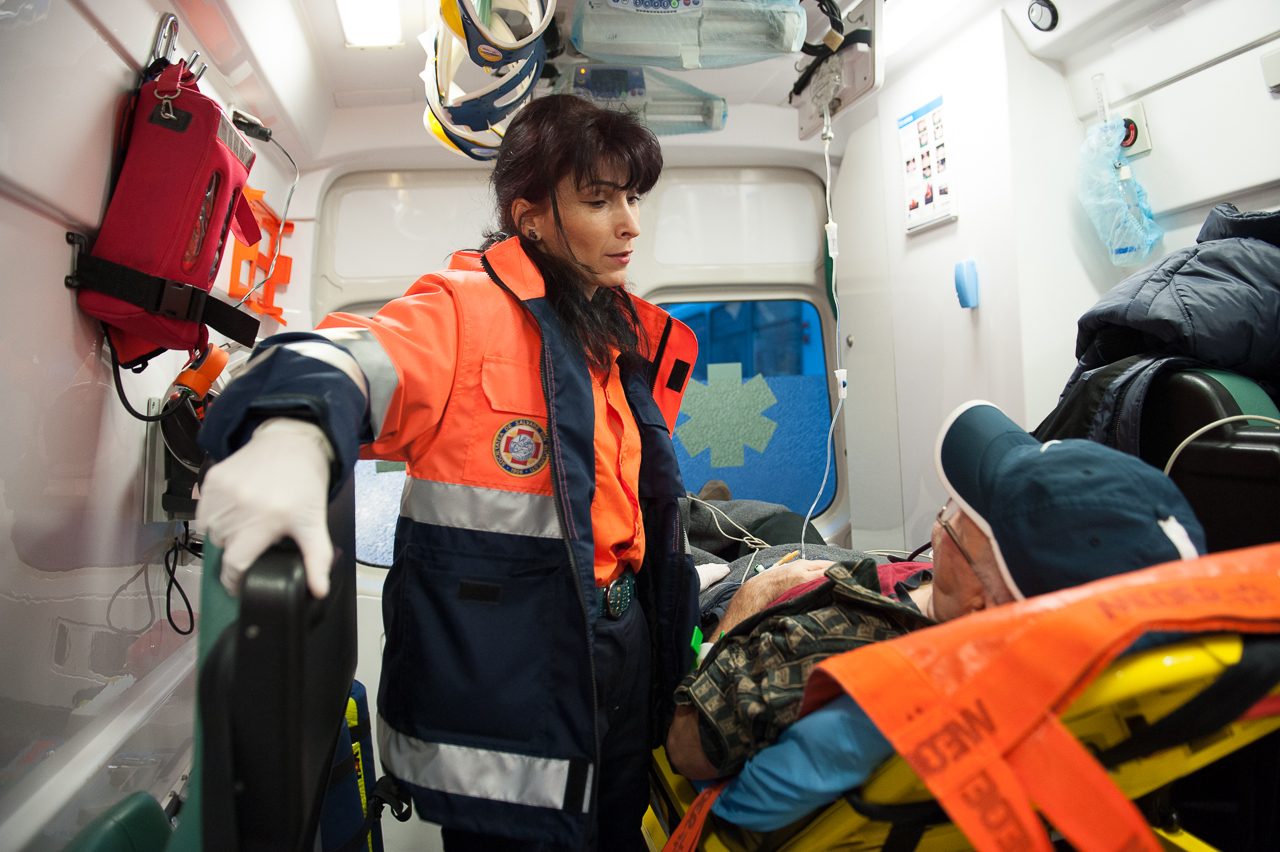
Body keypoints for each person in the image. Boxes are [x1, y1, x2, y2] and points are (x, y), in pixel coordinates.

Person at [195, 95, 701, 851]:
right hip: (519, 667)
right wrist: (295, 431)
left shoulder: (615, 332)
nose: (629, 223)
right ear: (531, 217)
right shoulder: (468, 311)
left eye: (632, 198)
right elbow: (345, 354)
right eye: (599, 201)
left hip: (625, 650)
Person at [666, 399, 1207, 830]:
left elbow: (686, 750)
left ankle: (687, 511)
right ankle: (705, 506)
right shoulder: (1046, 676)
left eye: (957, 517)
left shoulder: (836, 663)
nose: (943, 514)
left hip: (739, 608)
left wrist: (747, 606)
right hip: (851, 575)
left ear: (982, 604)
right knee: (784, 524)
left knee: (685, 548)